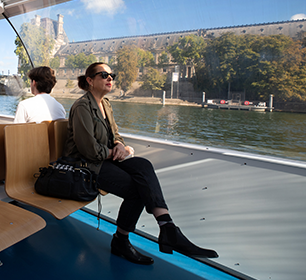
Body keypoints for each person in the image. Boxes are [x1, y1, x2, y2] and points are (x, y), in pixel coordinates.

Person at [67, 62, 217, 264]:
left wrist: (120, 144)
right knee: (137, 188)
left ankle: (166, 226)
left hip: (105, 159)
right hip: (86, 165)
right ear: (90, 80)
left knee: (143, 165)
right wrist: (114, 151)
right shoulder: (82, 107)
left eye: (113, 75)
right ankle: (122, 240)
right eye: (104, 75)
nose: (110, 78)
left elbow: (115, 134)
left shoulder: (106, 105)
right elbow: (88, 150)